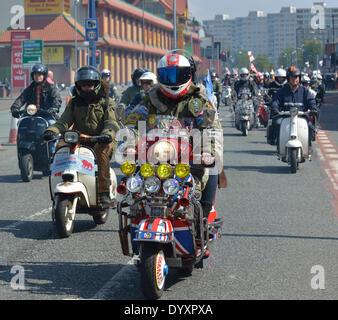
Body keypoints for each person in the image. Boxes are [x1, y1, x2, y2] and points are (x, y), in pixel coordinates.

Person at [126, 52, 225, 221]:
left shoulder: (199, 101)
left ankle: (203, 217)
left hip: (191, 156)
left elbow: (211, 129)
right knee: (132, 178)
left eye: (177, 75)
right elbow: (133, 124)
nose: (173, 81)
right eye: (167, 75)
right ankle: (137, 210)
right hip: (154, 156)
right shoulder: (149, 101)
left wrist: (209, 152)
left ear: (188, 75)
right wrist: (129, 144)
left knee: (212, 168)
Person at [43, 66, 120, 206]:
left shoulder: (107, 102)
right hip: (79, 139)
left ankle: (103, 193)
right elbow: (63, 122)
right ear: (78, 86)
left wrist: (107, 134)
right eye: (83, 85)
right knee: (60, 147)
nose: (87, 88)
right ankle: (62, 182)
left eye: (90, 84)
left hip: (102, 140)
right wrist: (52, 130)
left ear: (96, 84)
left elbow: (112, 123)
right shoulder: (74, 103)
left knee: (101, 150)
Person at [269, 66, 318, 150]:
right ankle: (278, 144)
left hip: (302, 116)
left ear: (299, 78)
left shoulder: (305, 91)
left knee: (309, 126)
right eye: (292, 77)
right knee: (276, 123)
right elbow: (275, 101)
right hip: (285, 116)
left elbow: (311, 101)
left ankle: (309, 146)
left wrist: (313, 108)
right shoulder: (282, 90)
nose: (294, 79)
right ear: (288, 78)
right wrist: (274, 107)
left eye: (296, 77)